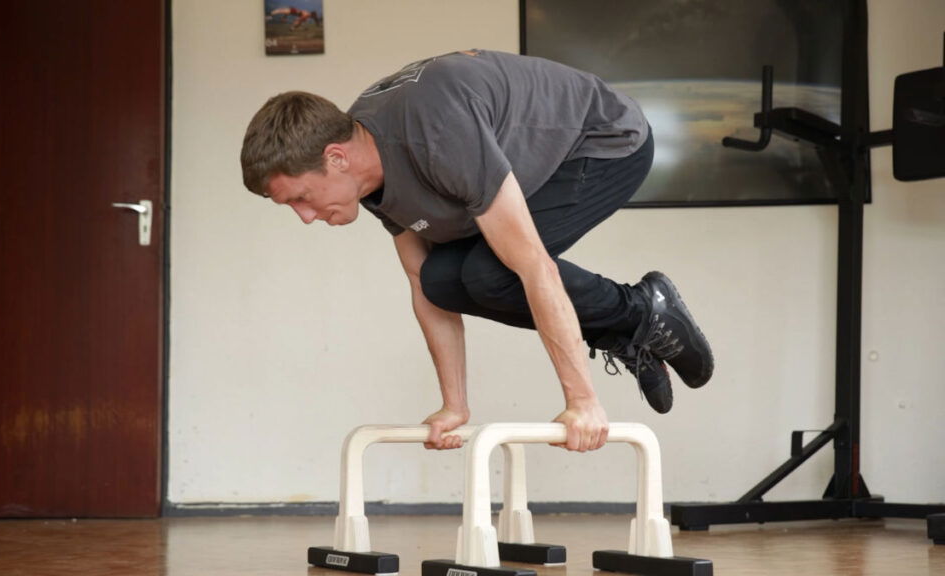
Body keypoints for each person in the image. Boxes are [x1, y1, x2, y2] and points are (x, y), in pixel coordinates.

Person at [240, 50, 713, 452]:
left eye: (301, 198)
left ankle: (642, 310)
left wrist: (583, 401)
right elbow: (421, 285)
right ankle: (623, 327)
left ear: (336, 158)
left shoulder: (435, 134)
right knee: (441, 279)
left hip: (603, 141)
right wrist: (455, 405)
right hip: (524, 165)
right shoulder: (369, 172)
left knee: (493, 271)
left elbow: (534, 266)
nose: (304, 216)